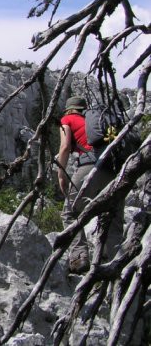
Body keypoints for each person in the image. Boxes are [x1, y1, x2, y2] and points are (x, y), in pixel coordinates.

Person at [56, 96, 122, 274]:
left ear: (69, 109)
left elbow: (64, 147)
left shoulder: (67, 119)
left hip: (89, 168)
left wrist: (61, 175)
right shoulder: (98, 122)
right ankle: (116, 263)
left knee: (70, 213)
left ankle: (79, 258)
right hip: (114, 171)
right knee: (113, 218)